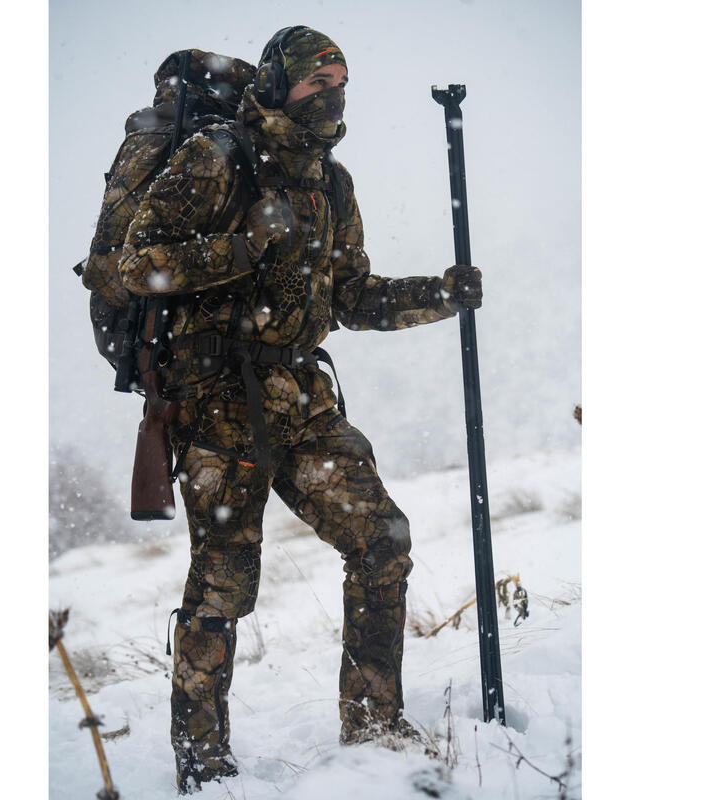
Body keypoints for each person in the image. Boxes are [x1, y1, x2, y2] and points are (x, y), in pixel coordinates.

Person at [118, 25, 483, 794]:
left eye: (342, 81)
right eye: (320, 83)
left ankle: (374, 723)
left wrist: (439, 296)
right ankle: (204, 766)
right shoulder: (216, 159)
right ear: (283, 84)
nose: (334, 95)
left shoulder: (330, 181)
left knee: (382, 542)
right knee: (223, 588)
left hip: (303, 399)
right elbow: (127, 267)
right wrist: (240, 248)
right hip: (220, 401)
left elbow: (353, 297)